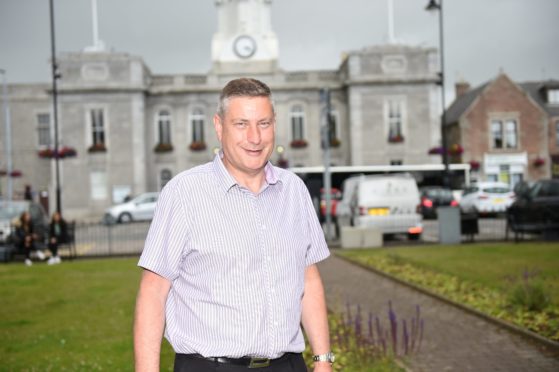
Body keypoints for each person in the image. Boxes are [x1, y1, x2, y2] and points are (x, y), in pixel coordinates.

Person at [134, 78, 334, 372]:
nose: (255, 137)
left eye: (263, 123)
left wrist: (323, 360)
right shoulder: (184, 193)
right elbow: (153, 292)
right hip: (211, 366)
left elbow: (309, 279)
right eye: (241, 124)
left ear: (274, 125)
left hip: (288, 366)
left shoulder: (294, 190)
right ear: (219, 126)